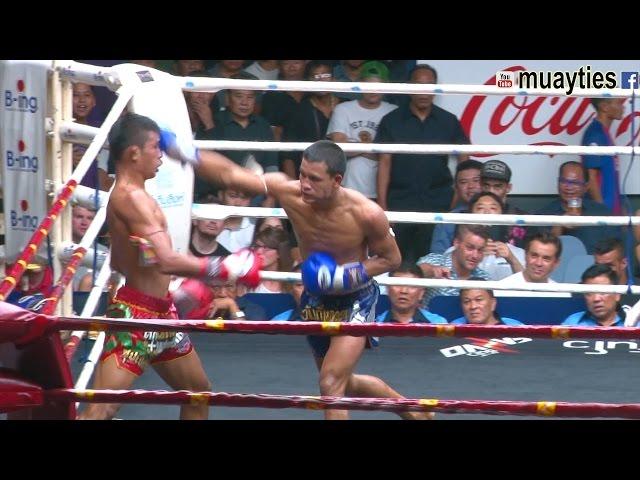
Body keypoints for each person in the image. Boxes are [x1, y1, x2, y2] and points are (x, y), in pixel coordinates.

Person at [218, 138, 430, 419]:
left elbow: (392, 259)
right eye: (302, 174)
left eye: (314, 178)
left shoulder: (366, 212)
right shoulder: (290, 193)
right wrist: (187, 152)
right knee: (342, 383)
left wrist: (344, 276)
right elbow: (233, 175)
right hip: (316, 298)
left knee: (331, 383)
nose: (305, 184)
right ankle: (413, 412)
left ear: (337, 180)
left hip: (357, 297)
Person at [78, 112, 266, 420]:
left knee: (198, 393)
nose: (161, 154)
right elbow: (165, 259)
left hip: (161, 313)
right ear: (133, 153)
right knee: (101, 410)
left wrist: (163, 281)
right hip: (137, 319)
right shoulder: (132, 198)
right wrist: (225, 266)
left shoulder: (131, 195)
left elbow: (124, 259)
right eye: (155, 146)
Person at [376, 64, 470, 263]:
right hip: (399, 201)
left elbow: (465, 158)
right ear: (409, 87)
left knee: (432, 262)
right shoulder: (391, 121)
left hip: (438, 202)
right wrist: (383, 206)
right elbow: (384, 163)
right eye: (419, 85)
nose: (424, 92)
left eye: (429, 85)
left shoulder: (448, 121)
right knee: (395, 261)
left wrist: (455, 199)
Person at [327, 61, 398, 201]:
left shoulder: (394, 112)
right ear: (360, 83)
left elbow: (394, 157)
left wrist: (354, 144)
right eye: (368, 85)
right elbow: (339, 150)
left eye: (378, 86)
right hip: (346, 189)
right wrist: (375, 148)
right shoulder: (343, 109)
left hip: (382, 192)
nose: (373, 91)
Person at [536, 161, 619, 254]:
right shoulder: (542, 215)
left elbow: (616, 250)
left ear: (586, 186)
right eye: (564, 181)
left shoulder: (602, 213)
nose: (569, 187)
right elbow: (542, 256)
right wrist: (559, 225)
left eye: (575, 183)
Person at [416, 224, 490, 306]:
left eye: (480, 250)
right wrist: (431, 270)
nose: (475, 255)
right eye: (470, 248)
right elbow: (413, 274)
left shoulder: (484, 278)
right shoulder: (434, 261)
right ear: (456, 242)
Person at [581, 98, 625, 215]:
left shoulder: (604, 133)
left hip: (613, 212)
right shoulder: (595, 134)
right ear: (604, 107)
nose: (623, 107)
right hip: (604, 217)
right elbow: (591, 180)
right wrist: (603, 215)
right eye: (619, 103)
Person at [430, 159, 483, 254]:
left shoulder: (506, 214)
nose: (470, 186)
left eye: (476, 180)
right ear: (456, 188)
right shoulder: (447, 220)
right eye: (463, 182)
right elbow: (436, 257)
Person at [376, 264, 447, 324]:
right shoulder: (376, 325)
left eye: (411, 286)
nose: (404, 291)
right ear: (388, 289)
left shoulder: (438, 324)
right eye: (398, 284)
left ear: (421, 293)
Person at [450, 281, 523, 325]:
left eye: (478, 300)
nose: (473, 306)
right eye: (466, 301)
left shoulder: (513, 326)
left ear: (493, 303)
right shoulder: (454, 327)